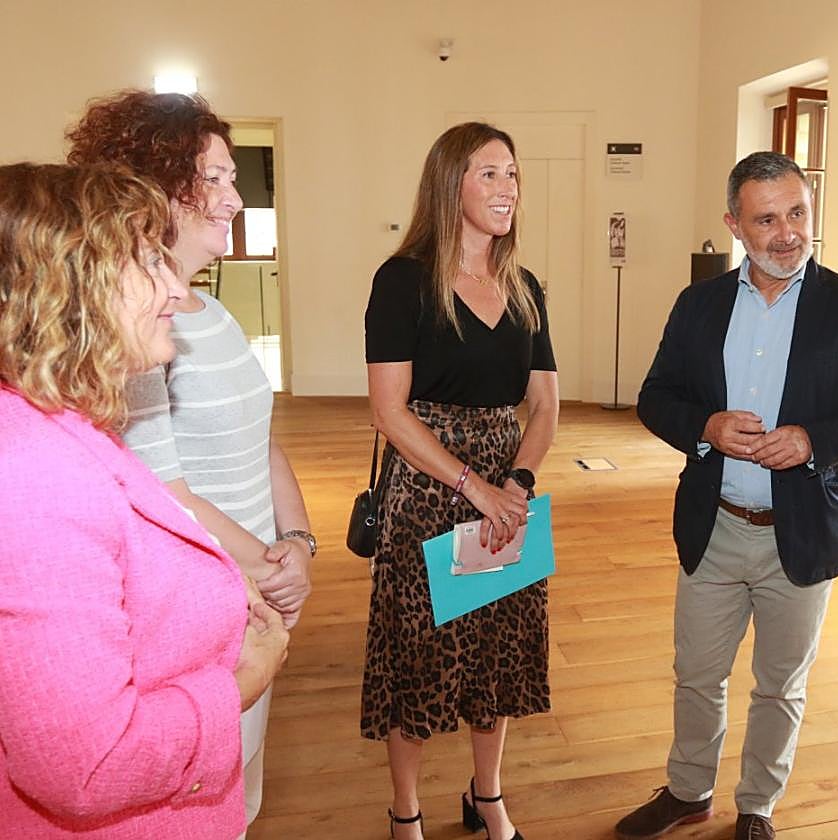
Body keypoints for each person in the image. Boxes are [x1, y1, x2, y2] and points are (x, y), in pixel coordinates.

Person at [621, 151, 838, 840]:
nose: (787, 234)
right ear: (734, 225)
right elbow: (655, 397)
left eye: (798, 213)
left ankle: (758, 806)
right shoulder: (699, 305)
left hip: (801, 534)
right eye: (767, 220)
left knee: (781, 684)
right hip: (715, 526)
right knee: (697, 674)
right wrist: (707, 427)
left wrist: (812, 439)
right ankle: (689, 791)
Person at [0, 162, 289, 838]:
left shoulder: (63, 427)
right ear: (70, 286)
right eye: (149, 263)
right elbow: (89, 767)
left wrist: (229, 590)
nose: (175, 289)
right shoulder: (36, 477)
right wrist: (243, 681)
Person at [66, 89, 314, 831]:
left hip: (253, 595)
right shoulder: (140, 329)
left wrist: (296, 542)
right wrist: (266, 571)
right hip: (200, 605)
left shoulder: (215, 312)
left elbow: (262, 437)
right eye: (215, 178)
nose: (235, 198)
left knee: (242, 794)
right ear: (156, 185)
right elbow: (161, 492)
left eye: (234, 178)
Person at [362, 122, 559, 840]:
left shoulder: (525, 287)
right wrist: (477, 488)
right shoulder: (403, 281)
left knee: (497, 652)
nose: (507, 188)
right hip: (430, 488)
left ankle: (488, 795)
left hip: (508, 491)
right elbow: (389, 411)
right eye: (489, 173)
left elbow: (545, 405)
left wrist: (518, 484)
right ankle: (405, 809)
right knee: (420, 657)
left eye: (512, 174)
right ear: (451, 184)